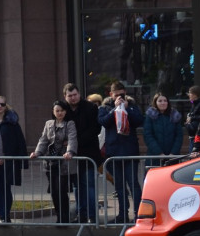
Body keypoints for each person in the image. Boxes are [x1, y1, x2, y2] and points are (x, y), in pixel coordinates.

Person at [97, 81, 144, 224]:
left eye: (122, 94)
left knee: (133, 184)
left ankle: (139, 215)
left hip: (130, 151)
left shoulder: (132, 106)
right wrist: (115, 109)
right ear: (111, 95)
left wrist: (127, 109)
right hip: (114, 152)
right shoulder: (105, 107)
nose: (120, 97)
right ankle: (122, 214)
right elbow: (103, 122)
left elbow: (139, 121)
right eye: (117, 95)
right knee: (119, 185)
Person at [30, 100, 79, 223]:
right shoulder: (49, 124)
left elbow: (72, 139)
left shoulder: (70, 124)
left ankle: (64, 218)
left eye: (62, 110)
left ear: (65, 111)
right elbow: (43, 140)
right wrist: (37, 152)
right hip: (51, 163)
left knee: (61, 190)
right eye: (57, 110)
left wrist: (70, 152)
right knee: (54, 191)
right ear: (53, 112)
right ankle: (59, 216)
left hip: (64, 163)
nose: (60, 113)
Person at [63, 83, 102, 223]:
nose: (73, 98)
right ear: (65, 96)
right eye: (70, 96)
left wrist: (75, 141)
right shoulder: (63, 108)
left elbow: (95, 130)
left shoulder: (90, 107)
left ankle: (92, 216)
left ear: (79, 94)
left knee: (89, 185)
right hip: (72, 156)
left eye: (75, 95)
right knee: (77, 187)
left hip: (89, 153)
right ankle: (81, 215)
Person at [0, 96, 28, 223]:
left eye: (2, 104)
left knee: (5, 189)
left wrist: (7, 158)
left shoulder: (12, 123)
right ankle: (0, 215)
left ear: (6, 106)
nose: (0, 106)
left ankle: (6, 216)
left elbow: (19, 142)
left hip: (7, 162)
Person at [143, 92, 184, 170]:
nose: (163, 103)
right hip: (154, 157)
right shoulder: (150, 116)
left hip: (173, 157)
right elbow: (148, 135)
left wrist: (173, 153)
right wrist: (159, 153)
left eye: (165, 101)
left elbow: (179, 136)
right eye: (160, 101)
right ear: (155, 102)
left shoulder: (175, 115)